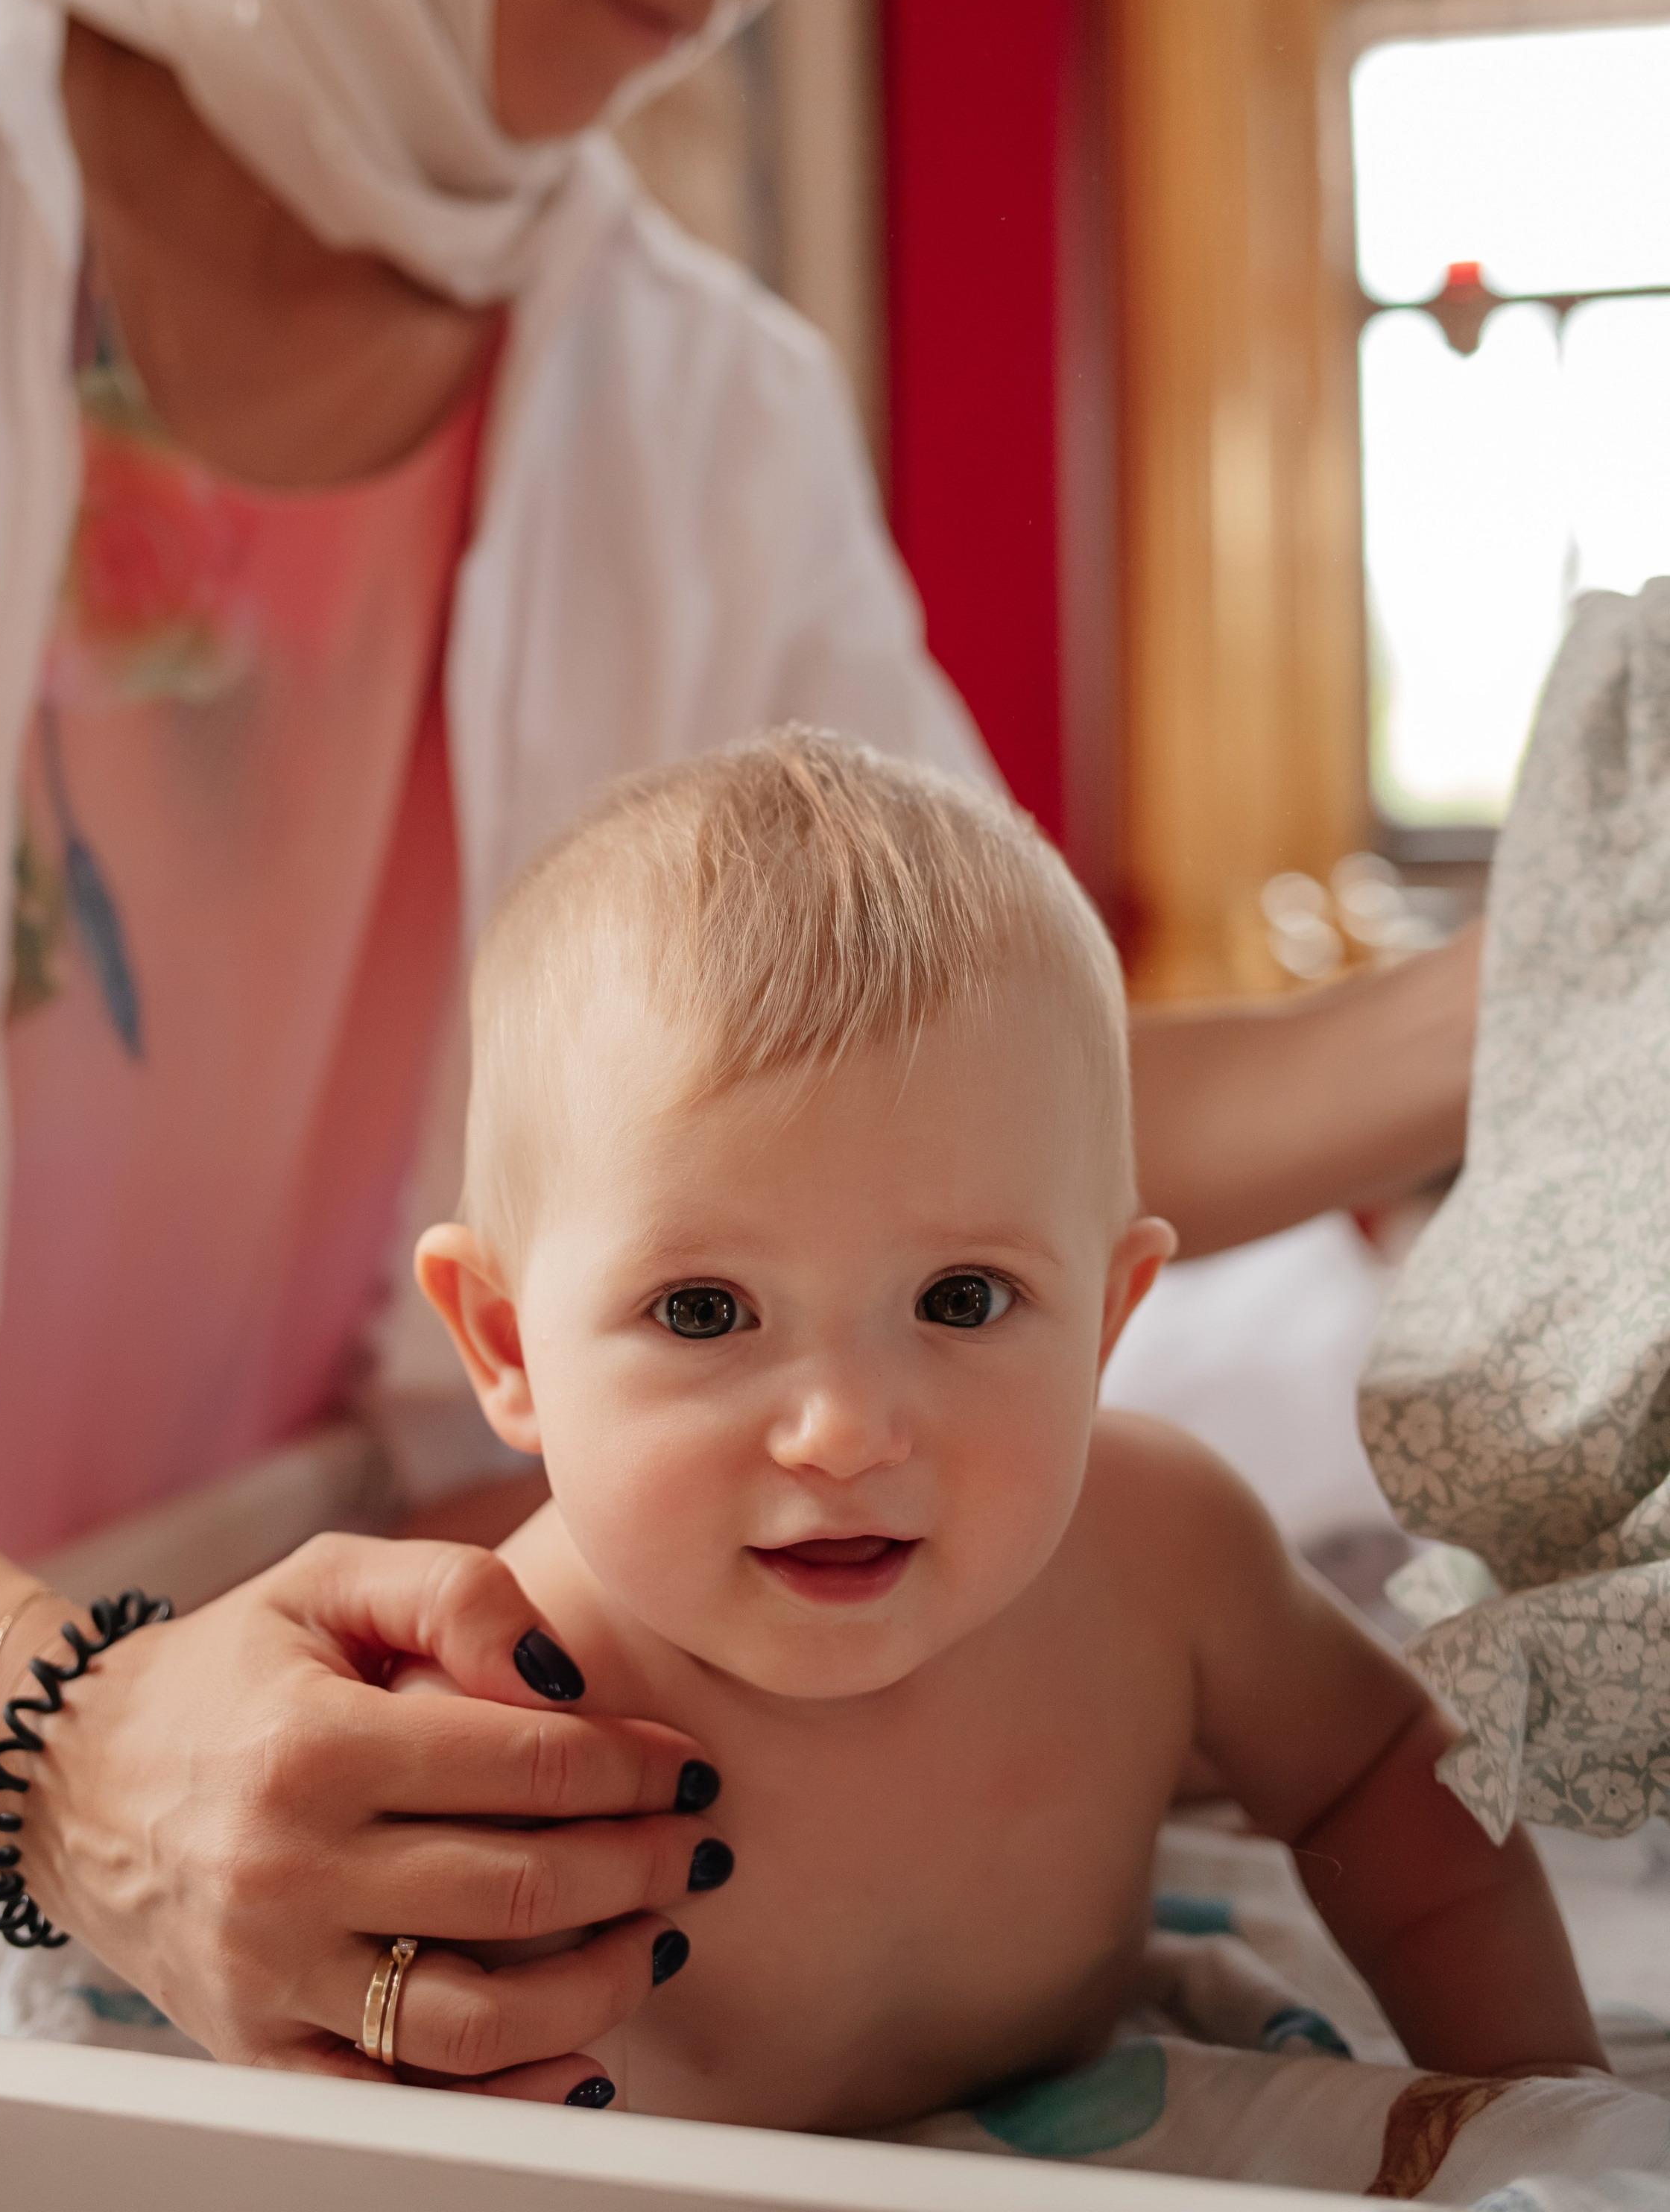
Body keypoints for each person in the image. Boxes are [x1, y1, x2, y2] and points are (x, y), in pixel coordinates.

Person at [0, 0, 1475, 2077]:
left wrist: (1535, 1007)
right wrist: (55, 1741)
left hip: (343, 1836)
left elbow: (974, 1095)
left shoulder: (697, 404)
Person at [408, 730, 1595, 2123]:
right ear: (508, 1346)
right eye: (704, 1311)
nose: (844, 1434)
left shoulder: (1163, 1555)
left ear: (1106, 1320)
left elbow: (1385, 1781)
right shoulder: (496, 1715)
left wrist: (1541, 2100)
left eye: (961, 1299)